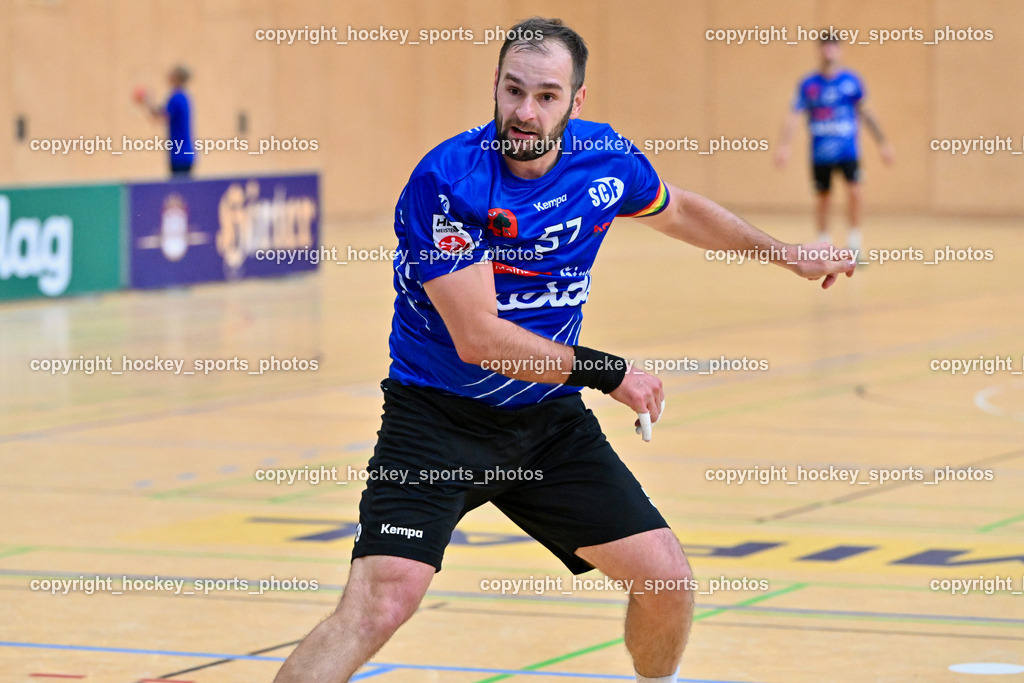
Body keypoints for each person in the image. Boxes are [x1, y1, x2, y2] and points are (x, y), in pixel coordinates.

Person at [275, 17, 854, 683]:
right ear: (494, 86)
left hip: (547, 425)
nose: (525, 112)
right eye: (514, 91)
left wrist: (784, 254)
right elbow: (480, 337)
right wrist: (611, 373)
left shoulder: (603, 159)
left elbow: (678, 209)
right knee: (380, 602)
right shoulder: (448, 180)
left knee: (668, 583)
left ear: (576, 102)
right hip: (435, 421)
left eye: (546, 96)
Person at [774, 34, 894, 254]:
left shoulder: (851, 81)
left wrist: (883, 143)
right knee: (823, 198)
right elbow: (793, 116)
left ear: (840, 50)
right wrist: (784, 146)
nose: (829, 51)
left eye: (833, 47)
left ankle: (855, 243)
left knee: (856, 192)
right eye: (824, 47)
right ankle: (823, 244)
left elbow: (867, 112)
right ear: (819, 50)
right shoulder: (808, 84)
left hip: (848, 150)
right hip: (821, 153)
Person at [135, 64, 194, 177]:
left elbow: (160, 116)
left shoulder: (176, 97)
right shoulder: (184, 97)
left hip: (180, 154)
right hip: (184, 153)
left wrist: (146, 101)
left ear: (177, 77)